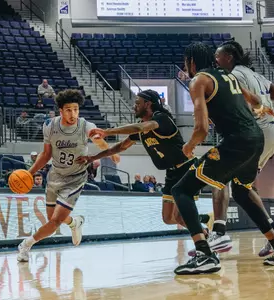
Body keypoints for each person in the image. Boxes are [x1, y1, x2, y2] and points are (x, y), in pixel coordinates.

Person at [170, 42, 274, 275]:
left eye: (185, 61)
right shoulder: (228, 76)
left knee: (181, 191)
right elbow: (257, 102)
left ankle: (204, 254)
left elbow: (200, 130)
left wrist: (188, 147)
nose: (184, 66)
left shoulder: (198, 81)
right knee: (241, 191)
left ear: (191, 62)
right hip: (256, 138)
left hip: (236, 142)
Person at [202, 40, 274, 256]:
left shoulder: (234, 76)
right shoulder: (258, 76)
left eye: (218, 56)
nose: (216, 60)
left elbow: (241, 102)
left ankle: (220, 231)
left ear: (229, 57)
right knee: (244, 186)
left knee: (219, 173)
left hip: (257, 130)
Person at [77, 89, 209, 230]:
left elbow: (140, 127)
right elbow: (120, 147)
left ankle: (206, 239)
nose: (134, 106)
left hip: (186, 168)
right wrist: (92, 158)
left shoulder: (161, 118)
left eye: (137, 103)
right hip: (171, 173)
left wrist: (107, 131)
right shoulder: (141, 130)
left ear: (147, 104)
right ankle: (204, 219)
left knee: (179, 217)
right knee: (168, 219)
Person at [17, 89, 120, 262]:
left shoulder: (85, 125)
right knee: (52, 219)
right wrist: (30, 173)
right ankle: (74, 222)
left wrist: (110, 151)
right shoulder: (50, 125)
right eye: (68, 110)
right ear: (61, 111)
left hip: (75, 178)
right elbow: (46, 154)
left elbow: (97, 138)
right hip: (55, 176)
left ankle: (26, 245)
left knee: (55, 221)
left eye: (76, 109)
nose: (73, 114)